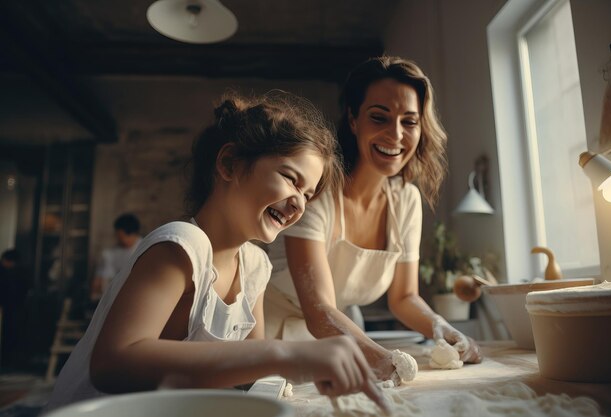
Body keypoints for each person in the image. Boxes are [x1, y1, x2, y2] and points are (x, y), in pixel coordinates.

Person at [44, 92, 388, 413]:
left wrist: (309, 370)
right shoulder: (181, 246)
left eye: (309, 195)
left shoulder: (255, 266)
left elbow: (245, 369)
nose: (300, 203)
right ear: (229, 164)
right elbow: (112, 364)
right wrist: (285, 352)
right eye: (290, 178)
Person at [264, 56, 482, 380]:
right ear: (353, 120)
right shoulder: (318, 193)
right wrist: (382, 359)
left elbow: (404, 297)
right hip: (274, 337)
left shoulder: (406, 199)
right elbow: (319, 310)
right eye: (379, 118)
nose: (395, 135)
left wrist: (443, 328)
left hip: (343, 337)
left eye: (409, 122)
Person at [90, 213, 142, 301]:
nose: (118, 238)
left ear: (132, 234)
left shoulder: (143, 249)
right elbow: (101, 278)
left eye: (121, 236)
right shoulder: (112, 253)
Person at [0, 249, 30, 368]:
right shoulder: (21, 272)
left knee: (10, 334)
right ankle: (11, 362)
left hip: (12, 308)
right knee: (13, 335)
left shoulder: (9, 272)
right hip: (16, 307)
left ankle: (8, 362)